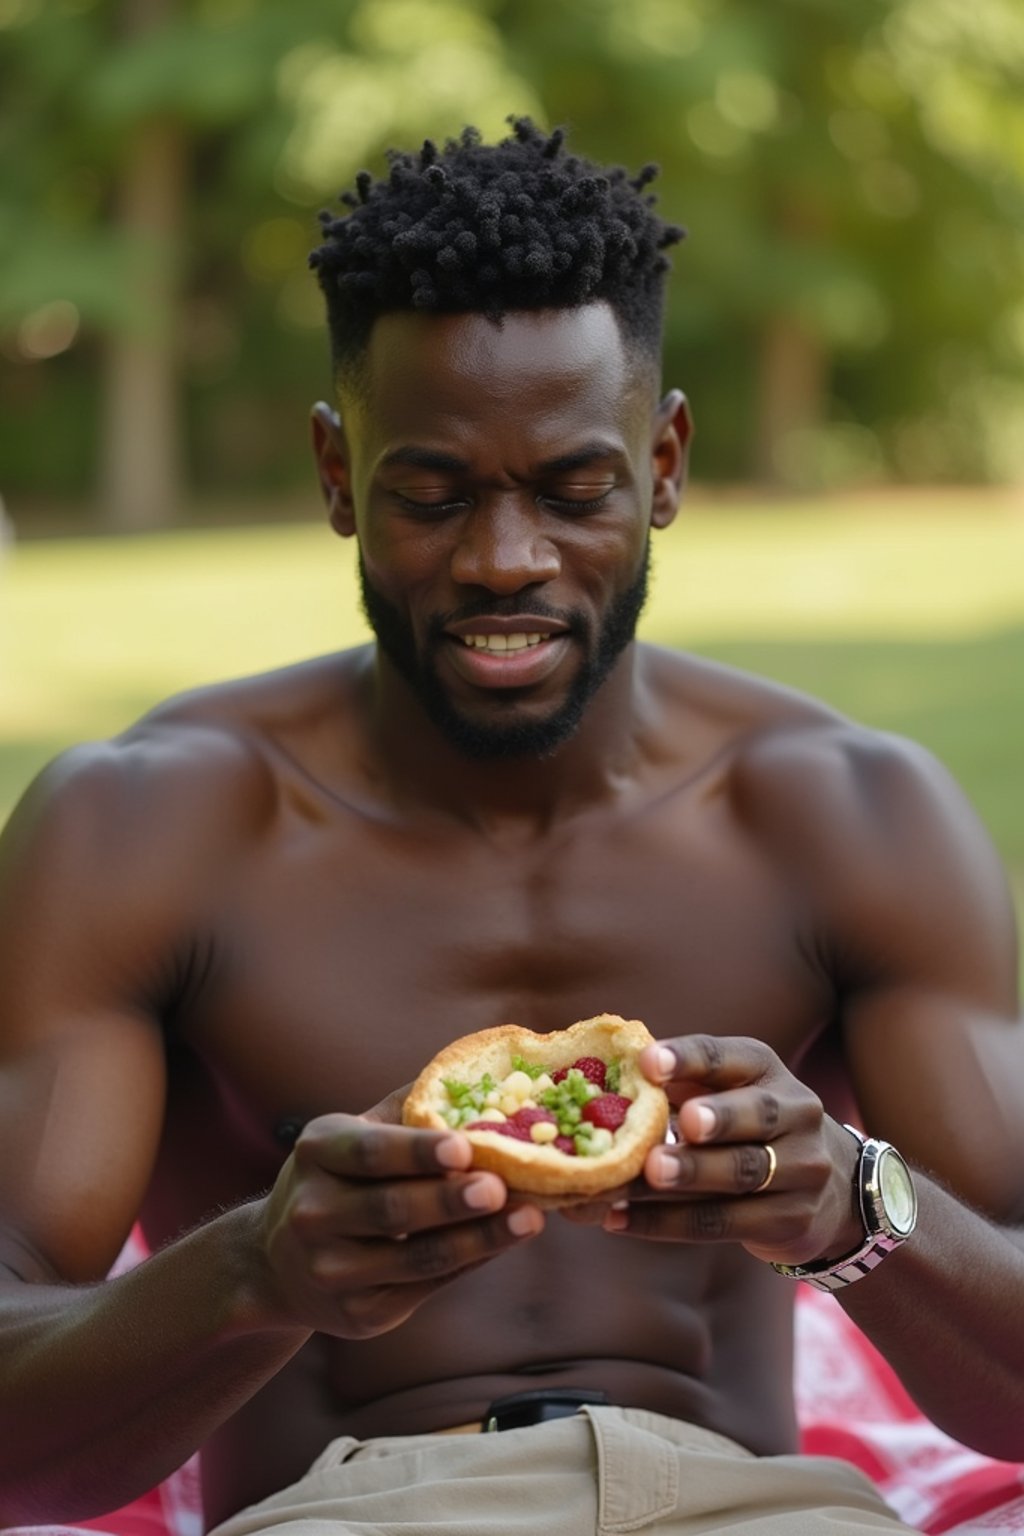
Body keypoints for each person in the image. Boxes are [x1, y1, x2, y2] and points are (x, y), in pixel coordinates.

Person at [0, 117, 1022, 1536]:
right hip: (350, 1512)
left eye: (574, 487)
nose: (505, 560)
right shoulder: (141, 827)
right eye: (432, 493)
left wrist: (856, 1205)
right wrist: (258, 1273)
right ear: (337, 476)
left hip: (757, 1506)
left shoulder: (849, 812)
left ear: (662, 466)